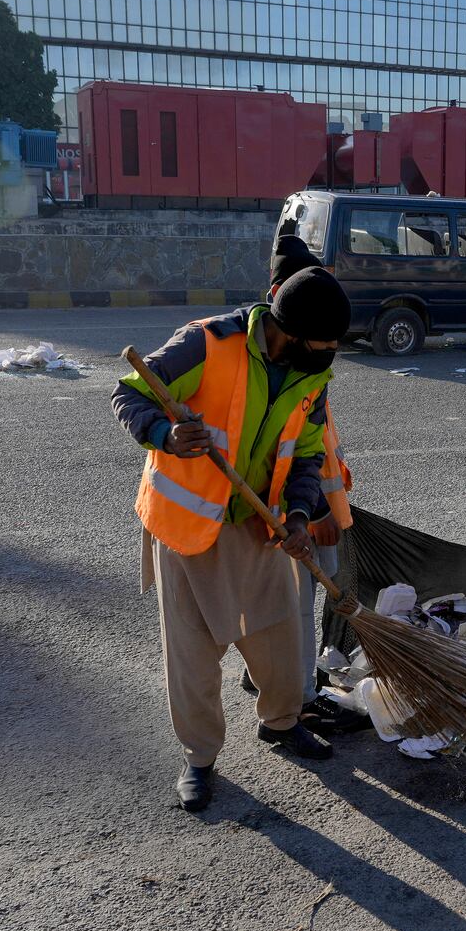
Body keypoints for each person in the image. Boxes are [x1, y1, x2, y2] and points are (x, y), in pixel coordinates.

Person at [111, 264, 352, 813]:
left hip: (257, 522)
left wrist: (296, 514)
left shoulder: (310, 377)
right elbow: (129, 393)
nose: (330, 354)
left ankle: (281, 723)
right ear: (288, 331)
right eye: (323, 343)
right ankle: (199, 758)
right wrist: (165, 434)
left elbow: (307, 454)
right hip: (189, 526)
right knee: (193, 651)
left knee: (279, 630)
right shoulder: (207, 344)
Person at [239, 233, 369, 739]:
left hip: (310, 502)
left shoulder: (301, 364)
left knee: (293, 604)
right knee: (291, 606)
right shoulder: (267, 359)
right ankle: (301, 701)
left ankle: (277, 680)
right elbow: (282, 454)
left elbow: (314, 444)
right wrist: (314, 513)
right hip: (295, 511)